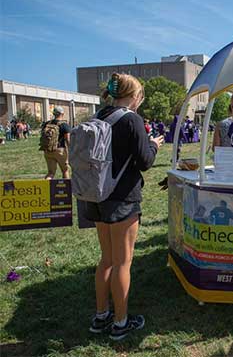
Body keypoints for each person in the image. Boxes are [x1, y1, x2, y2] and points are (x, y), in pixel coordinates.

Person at [84, 73, 164, 340]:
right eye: (140, 96)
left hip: (96, 196)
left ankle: (100, 315)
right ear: (135, 96)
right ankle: (120, 323)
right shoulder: (132, 119)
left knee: (106, 259)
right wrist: (153, 145)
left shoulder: (98, 116)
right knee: (123, 263)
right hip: (123, 199)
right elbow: (145, 161)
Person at [41, 106, 72, 179]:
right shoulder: (64, 125)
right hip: (60, 151)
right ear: (62, 114)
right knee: (65, 170)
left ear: (54, 114)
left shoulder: (47, 124)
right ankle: (66, 189)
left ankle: (46, 187)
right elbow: (68, 140)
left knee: (51, 172)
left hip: (48, 150)